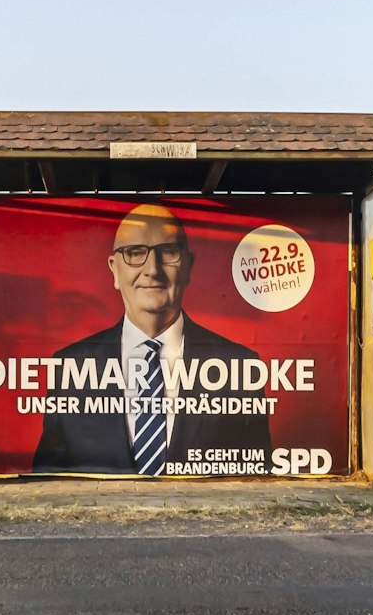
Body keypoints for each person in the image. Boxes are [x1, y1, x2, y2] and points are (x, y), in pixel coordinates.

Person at [32, 203, 271, 475]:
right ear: (114, 269)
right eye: (135, 253)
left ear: (189, 266)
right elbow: (47, 477)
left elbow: (257, 478)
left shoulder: (239, 365)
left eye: (168, 252)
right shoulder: (68, 366)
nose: (152, 269)